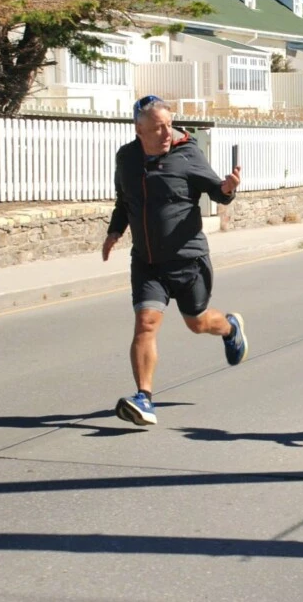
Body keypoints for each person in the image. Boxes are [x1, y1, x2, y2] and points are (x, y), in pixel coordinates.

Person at [102, 95, 248, 426]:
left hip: (188, 260)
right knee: (146, 323)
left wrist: (228, 188)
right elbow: (124, 200)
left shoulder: (187, 154)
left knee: (197, 323)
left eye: (169, 124)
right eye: (158, 127)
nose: (167, 132)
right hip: (147, 263)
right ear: (139, 129)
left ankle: (229, 327)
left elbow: (217, 190)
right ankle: (144, 398)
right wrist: (114, 232)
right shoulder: (126, 158)